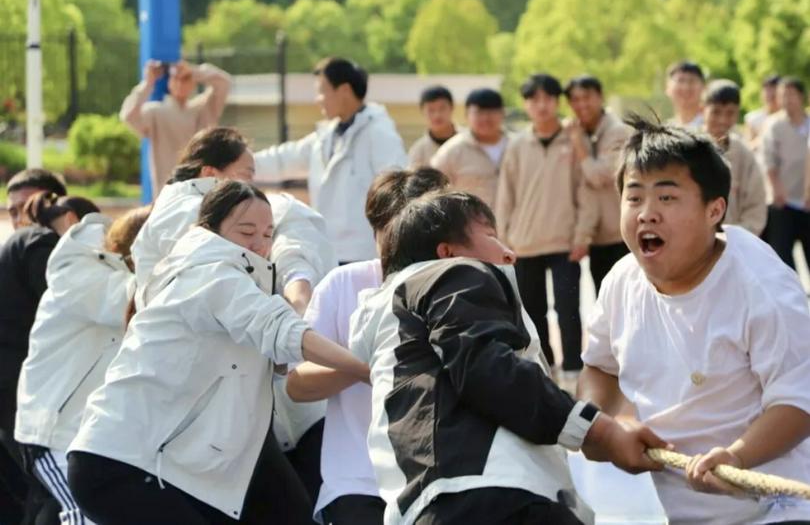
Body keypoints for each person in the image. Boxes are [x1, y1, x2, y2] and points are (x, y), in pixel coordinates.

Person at [349, 191, 669, 525]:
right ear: (447, 252)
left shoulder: (390, 317)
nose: (509, 253)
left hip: (423, 507)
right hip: (496, 496)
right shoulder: (454, 274)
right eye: (491, 236)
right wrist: (598, 431)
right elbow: (485, 366)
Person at [67, 180, 369, 525]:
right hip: (126, 459)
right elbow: (285, 332)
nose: (260, 244)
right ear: (210, 229)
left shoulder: (241, 279)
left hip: (177, 464)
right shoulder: (211, 274)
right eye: (246, 231)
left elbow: (288, 364)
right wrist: (366, 366)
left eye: (269, 234)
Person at [577, 117, 810, 525]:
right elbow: (599, 366)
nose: (647, 214)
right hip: (678, 510)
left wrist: (738, 455)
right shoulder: (621, 280)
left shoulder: (761, 284)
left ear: (714, 210)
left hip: (778, 508)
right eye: (634, 199)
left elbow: (799, 401)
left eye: (667, 198)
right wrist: (601, 428)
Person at [285, 168, 449, 525]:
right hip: (358, 479)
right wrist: (363, 364)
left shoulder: (460, 286)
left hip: (442, 479)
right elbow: (297, 384)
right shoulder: (343, 285)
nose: (399, 246)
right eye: (388, 232)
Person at [15, 205, 150, 525]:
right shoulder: (82, 272)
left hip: (97, 433)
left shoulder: (118, 271)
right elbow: (131, 302)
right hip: (55, 432)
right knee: (81, 516)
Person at [132, 126, 336, 315]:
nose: (250, 186)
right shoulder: (186, 211)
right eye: (246, 175)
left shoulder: (184, 205)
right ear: (210, 173)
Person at [0, 188, 96, 524]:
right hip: (26, 392)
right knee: (53, 493)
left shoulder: (22, 244)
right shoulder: (42, 246)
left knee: (35, 491)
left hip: (21, 390)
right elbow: (75, 307)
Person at [254, 57, 407, 264]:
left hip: (364, 255)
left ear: (344, 90)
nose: (318, 99)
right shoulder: (326, 135)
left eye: (322, 91)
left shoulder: (379, 133)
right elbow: (285, 158)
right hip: (330, 251)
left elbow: (397, 189)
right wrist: (243, 162)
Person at [496, 73, 593, 378]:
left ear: (556, 102)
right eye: (534, 99)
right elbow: (505, 195)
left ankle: (574, 370)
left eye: (548, 98)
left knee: (569, 311)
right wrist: (502, 240)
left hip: (565, 242)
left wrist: (583, 234)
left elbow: (585, 191)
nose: (542, 105)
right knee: (533, 312)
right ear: (525, 105)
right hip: (524, 243)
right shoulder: (517, 144)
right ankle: (545, 369)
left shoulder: (574, 141)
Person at [120, 59, 232, 196]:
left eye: (185, 79)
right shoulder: (156, 112)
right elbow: (128, 115)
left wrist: (192, 70)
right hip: (167, 192)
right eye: (175, 78)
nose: (180, 83)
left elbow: (224, 82)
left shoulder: (203, 109)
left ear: (193, 83)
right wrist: (148, 83)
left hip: (202, 191)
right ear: (169, 83)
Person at [565, 75, 633, 293]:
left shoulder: (618, 131)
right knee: (605, 302)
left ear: (600, 97)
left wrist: (578, 144)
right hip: (597, 239)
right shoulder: (580, 131)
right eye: (575, 99)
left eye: (587, 97)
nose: (581, 104)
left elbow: (599, 175)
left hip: (621, 235)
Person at [702, 79, 767, 235]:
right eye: (716, 112)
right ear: (702, 109)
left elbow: (755, 204)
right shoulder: (687, 149)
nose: (723, 120)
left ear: (738, 113)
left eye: (730, 113)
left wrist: (736, 237)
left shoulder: (744, 154)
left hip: (732, 242)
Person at [430, 88, 510, 208]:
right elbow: (432, 190)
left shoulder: (518, 146)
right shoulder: (452, 150)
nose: (485, 118)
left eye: (491, 111)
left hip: (517, 224)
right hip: (470, 224)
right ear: (467, 115)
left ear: (503, 113)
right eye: (479, 112)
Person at [762, 77, 810, 270]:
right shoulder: (774, 125)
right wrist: (776, 189)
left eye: (791, 94)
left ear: (801, 96)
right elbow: (768, 159)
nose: (787, 99)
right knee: (783, 256)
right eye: (782, 95)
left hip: (807, 199)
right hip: (783, 200)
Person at [408, 86, 457, 169]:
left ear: (451, 107)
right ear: (422, 112)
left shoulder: (472, 141)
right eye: (431, 110)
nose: (437, 115)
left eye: (442, 108)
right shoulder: (418, 151)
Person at [744, 74, 781, 151]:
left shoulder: (789, 117)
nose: (769, 95)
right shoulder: (752, 118)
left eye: (773, 96)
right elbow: (748, 148)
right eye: (767, 92)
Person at [666, 61, 706, 131]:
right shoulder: (667, 129)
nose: (686, 87)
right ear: (667, 88)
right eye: (681, 80)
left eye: (692, 81)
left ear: (703, 88)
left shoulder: (713, 125)